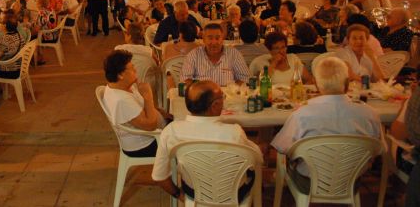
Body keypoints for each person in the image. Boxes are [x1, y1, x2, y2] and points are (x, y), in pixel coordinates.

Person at [271, 57, 383, 192]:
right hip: (351, 181)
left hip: (310, 183)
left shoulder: (302, 115)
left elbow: (283, 147)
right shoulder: (369, 114)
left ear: (317, 86)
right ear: (347, 84)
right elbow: (379, 150)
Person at [152, 81, 261, 202]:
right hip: (233, 195)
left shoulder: (171, 131)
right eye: (222, 97)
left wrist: (179, 195)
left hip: (194, 194)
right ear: (214, 106)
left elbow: (159, 177)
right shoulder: (234, 132)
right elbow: (257, 158)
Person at [102, 50, 166, 157]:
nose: (135, 70)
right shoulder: (121, 100)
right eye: (131, 68)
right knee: (185, 143)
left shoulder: (124, 85)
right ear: (121, 75)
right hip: (145, 144)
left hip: (154, 133)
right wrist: (148, 97)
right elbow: (151, 126)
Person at [181, 23, 249, 85]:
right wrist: (201, 87)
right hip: (202, 96)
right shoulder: (194, 55)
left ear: (222, 39)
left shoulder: (234, 54)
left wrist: (232, 89)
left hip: (228, 96)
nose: (214, 42)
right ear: (203, 39)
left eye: (217, 38)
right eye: (210, 38)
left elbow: (245, 78)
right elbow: (184, 79)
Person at [0, 10, 26, 79]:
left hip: (8, 71)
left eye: (1, 23)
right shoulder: (19, 36)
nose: (0, 25)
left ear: (5, 25)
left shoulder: (4, 39)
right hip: (19, 68)